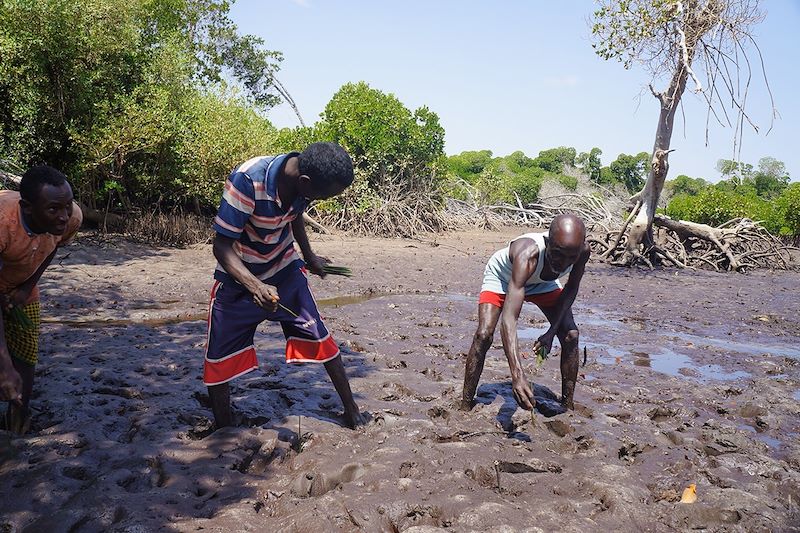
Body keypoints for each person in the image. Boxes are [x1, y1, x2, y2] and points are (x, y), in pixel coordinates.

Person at [204, 142, 365, 430]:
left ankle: (352, 411)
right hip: (238, 275)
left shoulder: (302, 183)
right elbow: (222, 246)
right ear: (305, 182)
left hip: (284, 268)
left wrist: (309, 256)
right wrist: (255, 286)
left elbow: (294, 217)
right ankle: (224, 427)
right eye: (324, 195)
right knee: (219, 354)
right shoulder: (247, 180)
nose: (321, 200)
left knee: (320, 336)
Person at [460, 214, 590, 413]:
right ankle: (465, 405)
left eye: (570, 258)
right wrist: (517, 375)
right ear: (548, 242)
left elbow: (570, 289)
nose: (563, 264)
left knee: (570, 335)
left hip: (543, 284)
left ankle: (567, 407)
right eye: (557, 254)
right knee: (484, 335)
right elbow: (509, 318)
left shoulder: (582, 252)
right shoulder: (528, 253)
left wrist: (551, 332)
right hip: (504, 278)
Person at [0, 165, 82, 434]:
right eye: (53, 209)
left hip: (20, 284)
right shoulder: (3, 223)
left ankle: (18, 422)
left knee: (25, 352)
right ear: (27, 208)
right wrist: (4, 366)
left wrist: (26, 287)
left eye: (67, 205)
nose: (63, 216)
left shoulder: (71, 218)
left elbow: (52, 248)